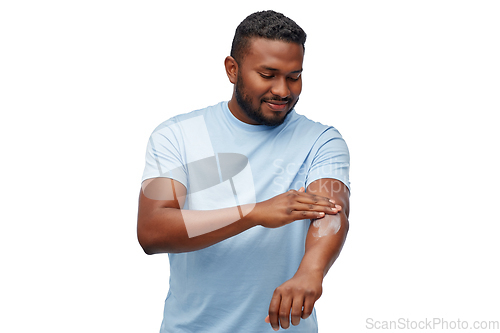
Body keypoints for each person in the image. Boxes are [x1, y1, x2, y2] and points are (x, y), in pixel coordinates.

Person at [137, 10, 350, 332]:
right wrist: (253, 213)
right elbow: (152, 231)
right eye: (268, 75)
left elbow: (331, 211)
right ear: (232, 69)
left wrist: (311, 271)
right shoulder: (178, 135)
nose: (283, 90)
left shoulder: (321, 140)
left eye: (294, 76)